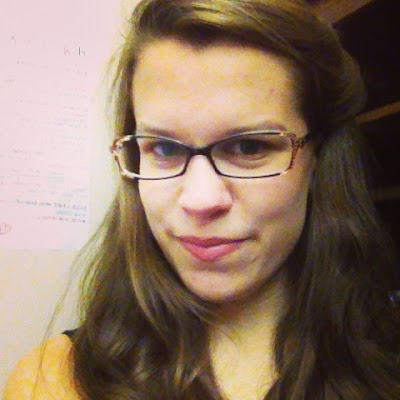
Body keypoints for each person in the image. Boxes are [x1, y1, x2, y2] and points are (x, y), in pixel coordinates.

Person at [4, 0, 399, 399]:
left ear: (319, 158)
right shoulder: (51, 382)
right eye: (163, 148)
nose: (200, 200)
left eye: (248, 147)